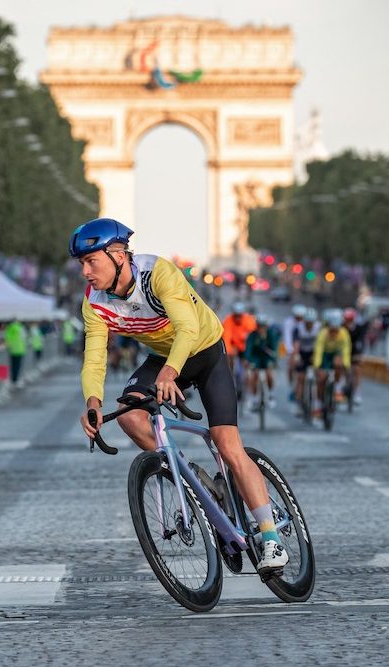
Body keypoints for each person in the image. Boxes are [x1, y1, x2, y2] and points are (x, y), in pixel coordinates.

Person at [72, 217, 288, 572]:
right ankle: (190, 475)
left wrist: (172, 372)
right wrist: (92, 403)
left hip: (204, 351)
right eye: (80, 263)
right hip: (162, 357)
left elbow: (187, 328)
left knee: (227, 444)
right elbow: (94, 357)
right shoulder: (94, 301)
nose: (85, 271)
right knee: (128, 414)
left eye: (90, 261)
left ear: (118, 255)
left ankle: (270, 538)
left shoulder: (158, 273)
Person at [313, 309, 351, 415]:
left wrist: (346, 364)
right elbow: (319, 350)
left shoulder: (344, 333)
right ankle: (318, 404)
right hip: (325, 354)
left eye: (336, 330)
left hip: (336, 353)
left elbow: (346, 350)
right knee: (321, 379)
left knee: (339, 363)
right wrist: (317, 365)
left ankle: (338, 388)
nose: (334, 333)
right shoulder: (323, 333)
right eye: (332, 330)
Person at [245, 316, 279, 412]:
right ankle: (254, 398)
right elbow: (248, 349)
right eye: (259, 326)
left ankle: (271, 395)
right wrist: (248, 360)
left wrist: (274, 358)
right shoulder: (252, 335)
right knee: (254, 375)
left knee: (269, 374)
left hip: (267, 357)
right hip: (256, 357)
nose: (261, 328)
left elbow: (275, 348)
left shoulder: (271, 335)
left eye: (263, 326)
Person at [291, 307, 321, 416]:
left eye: (311, 323)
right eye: (307, 323)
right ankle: (299, 403)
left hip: (314, 353)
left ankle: (317, 403)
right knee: (300, 378)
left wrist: (317, 358)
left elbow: (320, 343)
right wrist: (296, 356)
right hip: (302, 353)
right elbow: (296, 345)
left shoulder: (319, 328)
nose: (309, 325)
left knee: (319, 376)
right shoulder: (298, 328)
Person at [221, 302, 257, 375]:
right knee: (228, 360)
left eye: (239, 316)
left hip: (246, 346)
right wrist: (229, 352)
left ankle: (248, 376)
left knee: (248, 364)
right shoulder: (228, 321)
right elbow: (226, 338)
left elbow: (252, 338)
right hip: (234, 346)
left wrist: (247, 353)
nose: (237, 318)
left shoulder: (249, 320)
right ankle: (230, 374)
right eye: (236, 316)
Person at [343, 307, 366, 406]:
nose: (348, 322)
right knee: (342, 368)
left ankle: (357, 393)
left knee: (356, 370)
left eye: (350, 320)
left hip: (355, 351)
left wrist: (360, 354)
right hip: (344, 351)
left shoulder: (359, 328)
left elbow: (361, 342)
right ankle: (341, 387)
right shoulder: (341, 328)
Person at [283, 304, 306, 396]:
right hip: (292, 347)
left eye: (301, 317)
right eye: (297, 317)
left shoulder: (306, 323)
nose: (299, 320)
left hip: (303, 347)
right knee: (291, 365)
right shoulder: (288, 322)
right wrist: (291, 351)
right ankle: (291, 385)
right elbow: (287, 337)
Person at [3, 317, 27, 386]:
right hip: (18, 349)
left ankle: (14, 379)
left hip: (14, 349)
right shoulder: (19, 327)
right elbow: (23, 337)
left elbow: (7, 337)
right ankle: (15, 380)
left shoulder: (11, 328)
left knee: (14, 366)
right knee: (17, 366)